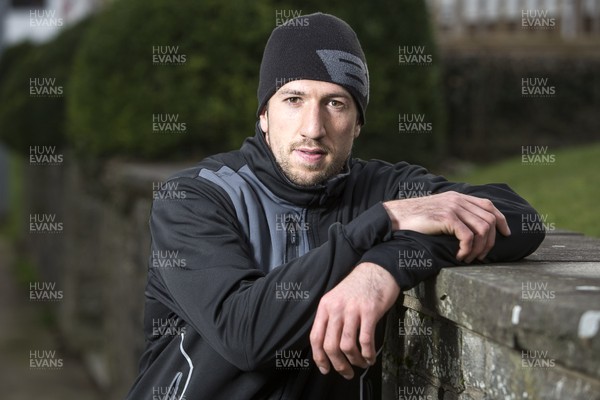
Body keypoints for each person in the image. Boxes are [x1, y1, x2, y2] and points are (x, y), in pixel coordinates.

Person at [127, 12, 544, 400]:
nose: (313, 128)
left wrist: (383, 267)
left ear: (358, 123)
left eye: (335, 103)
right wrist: (386, 220)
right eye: (293, 100)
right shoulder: (195, 197)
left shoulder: (379, 186)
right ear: (264, 115)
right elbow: (243, 334)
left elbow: (520, 219)